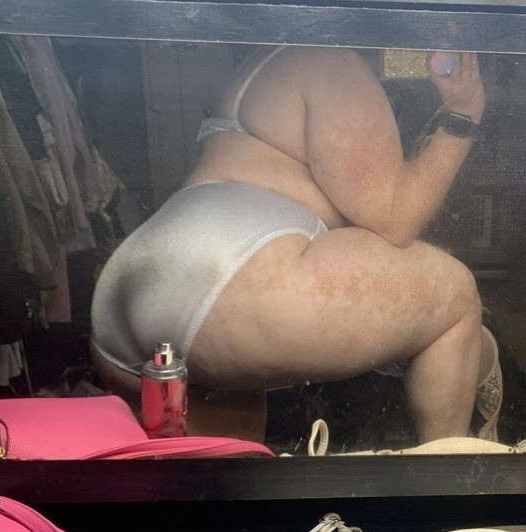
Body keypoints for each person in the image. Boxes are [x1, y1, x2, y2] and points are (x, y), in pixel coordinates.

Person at [90, 46, 501, 443]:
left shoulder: (262, 65)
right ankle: (452, 484)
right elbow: (395, 217)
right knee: (454, 293)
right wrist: (464, 112)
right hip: (234, 281)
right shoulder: (331, 62)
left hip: (126, 297)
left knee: (227, 464)